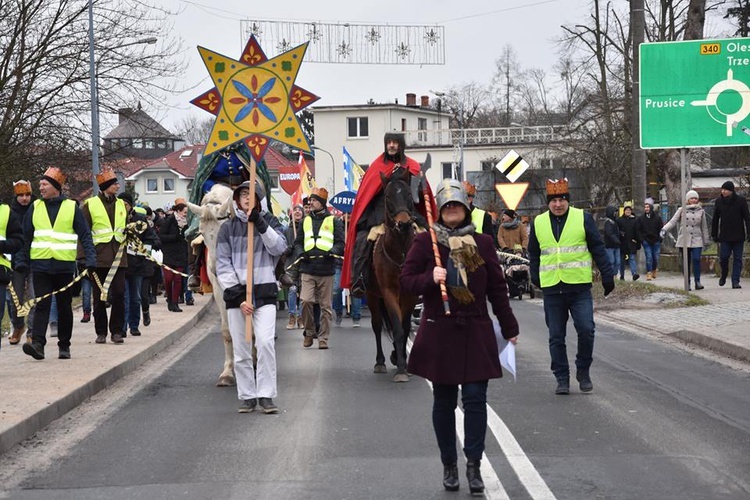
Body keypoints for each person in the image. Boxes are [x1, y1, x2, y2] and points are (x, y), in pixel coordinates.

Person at [401, 179, 519, 494]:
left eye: (457, 206)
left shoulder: (481, 242)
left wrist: (510, 328)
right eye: (447, 206)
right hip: (440, 330)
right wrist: (430, 277)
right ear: (439, 210)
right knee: (443, 401)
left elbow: (497, 288)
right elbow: (406, 282)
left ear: (466, 210)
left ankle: (474, 466)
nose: (452, 211)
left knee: (476, 400)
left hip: (475, 329)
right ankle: (449, 465)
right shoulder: (426, 243)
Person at [528, 178, 615, 395]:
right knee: (556, 336)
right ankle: (562, 378)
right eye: (554, 200)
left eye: (562, 200)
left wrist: (607, 274)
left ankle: (583, 370)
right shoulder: (538, 222)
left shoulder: (582, 218)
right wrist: (534, 274)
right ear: (548, 202)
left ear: (568, 201)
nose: (558, 204)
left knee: (586, 329)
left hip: (579, 288)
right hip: (552, 288)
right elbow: (534, 252)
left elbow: (597, 247)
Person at [215, 180, 287, 414]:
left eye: (251, 194)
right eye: (242, 194)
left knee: (265, 343)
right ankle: (247, 396)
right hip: (238, 297)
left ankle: (266, 394)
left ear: (259, 199)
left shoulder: (270, 222)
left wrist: (261, 223)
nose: (246, 198)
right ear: (236, 200)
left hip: (264, 292)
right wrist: (238, 297)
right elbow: (223, 264)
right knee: (241, 348)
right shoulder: (227, 227)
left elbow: (279, 248)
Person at [342, 132, 435, 297]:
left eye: (395, 142)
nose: (391, 145)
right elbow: (367, 194)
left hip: (407, 213)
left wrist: (421, 186)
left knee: (428, 238)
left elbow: (418, 195)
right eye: (389, 142)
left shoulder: (412, 166)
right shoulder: (376, 167)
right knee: (363, 240)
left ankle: (431, 277)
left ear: (401, 145)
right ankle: (360, 279)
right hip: (380, 214)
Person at [17, 167, 96, 360]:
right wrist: (21, 261)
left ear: (55, 187)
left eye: (44, 185)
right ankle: (38, 345)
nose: (40, 188)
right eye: (40, 185)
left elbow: (84, 235)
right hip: (41, 265)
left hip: (64, 266)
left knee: (64, 306)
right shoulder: (35, 207)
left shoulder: (71, 207)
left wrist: (91, 259)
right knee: (42, 305)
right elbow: (25, 237)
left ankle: (64, 345)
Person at [80, 169, 128, 344]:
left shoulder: (123, 205)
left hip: (119, 258)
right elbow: (83, 233)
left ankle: (116, 331)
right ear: (106, 186)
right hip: (98, 259)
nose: (117, 185)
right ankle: (101, 332)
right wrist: (83, 259)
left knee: (119, 294)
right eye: (114, 183)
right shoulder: (90, 204)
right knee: (99, 296)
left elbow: (128, 226)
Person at [293, 187, 344, 349]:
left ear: (321, 203)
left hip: (326, 269)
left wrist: (332, 252)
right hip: (307, 268)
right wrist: (301, 253)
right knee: (306, 301)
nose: (311, 203)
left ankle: (323, 338)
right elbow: (298, 242)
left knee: (325, 307)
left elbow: (340, 243)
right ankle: (309, 332)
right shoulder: (304, 221)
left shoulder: (334, 221)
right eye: (310, 201)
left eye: (314, 200)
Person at [119, 193, 160, 335]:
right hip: (121, 265)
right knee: (123, 297)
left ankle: (134, 325)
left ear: (131, 205)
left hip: (138, 265)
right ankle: (122, 327)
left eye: (126, 204)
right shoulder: (116, 219)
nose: (123, 207)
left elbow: (153, 239)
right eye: (121, 203)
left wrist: (142, 249)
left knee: (135, 297)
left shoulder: (140, 220)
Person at [660, 190, 710, 290]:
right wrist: (664, 229)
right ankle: (687, 282)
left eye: (695, 198)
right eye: (692, 198)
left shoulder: (701, 211)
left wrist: (706, 241)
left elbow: (704, 227)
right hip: (684, 239)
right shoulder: (681, 210)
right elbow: (673, 221)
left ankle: (697, 281)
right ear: (688, 200)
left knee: (696, 259)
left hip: (697, 238)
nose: (694, 200)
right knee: (686, 262)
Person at [8, 180, 36, 345]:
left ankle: (32, 331)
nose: (24, 198)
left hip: (35, 258)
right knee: (16, 298)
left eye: (27, 195)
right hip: (16, 260)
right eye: (21, 195)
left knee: (33, 298)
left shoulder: (37, 210)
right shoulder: (10, 213)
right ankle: (18, 326)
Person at [711, 181, 750, 289]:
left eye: (726, 190)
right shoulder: (719, 201)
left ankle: (735, 281)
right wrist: (714, 234)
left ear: (731, 191)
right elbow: (715, 218)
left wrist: (749, 231)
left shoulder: (741, 201)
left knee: (738, 259)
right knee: (724, 257)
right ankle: (724, 274)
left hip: (738, 235)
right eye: (722, 189)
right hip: (725, 235)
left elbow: (747, 217)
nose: (723, 191)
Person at [159, 202, 189, 312]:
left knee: (178, 279)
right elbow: (161, 236)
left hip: (181, 254)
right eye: (185, 212)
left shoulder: (187, 223)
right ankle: (170, 299)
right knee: (168, 278)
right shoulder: (169, 221)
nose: (186, 215)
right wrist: (175, 237)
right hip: (168, 254)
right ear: (178, 211)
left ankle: (175, 303)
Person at [283, 204, 304, 330]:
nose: (297, 212)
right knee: (292, 290)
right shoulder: (286, 230)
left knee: (302, 292)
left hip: (303, 263)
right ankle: (292, 316)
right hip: (291, 264)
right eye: (295, 210)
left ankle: (301, 317)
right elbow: (282, 245)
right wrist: (288, 250)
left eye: (299, 210)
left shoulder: (305, 228)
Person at [636, 198, 663, 281]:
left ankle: (654, 269)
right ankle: (649, 273)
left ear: (651, 208)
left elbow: (661, 228)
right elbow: (638, 229)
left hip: (656, 240)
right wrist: (642, 239)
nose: (646, 209)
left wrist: (660, 238)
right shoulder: (641, 219)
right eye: (645, 207)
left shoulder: (657, 218)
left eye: (648, 207)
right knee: (649, 257)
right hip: (646, 240)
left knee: (655, 257)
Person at [616, 203, 640, 281]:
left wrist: (638, 242)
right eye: (626, 210)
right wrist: (620, 233)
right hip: (622, 243)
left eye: (629, 210)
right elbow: (616, 230)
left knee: (632, 258)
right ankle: (622, 275)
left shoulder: (635, 220)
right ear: (624, 211)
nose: (628, 211)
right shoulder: (619, 220)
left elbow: (637, 231)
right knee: (621, 261)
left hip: (631, 243)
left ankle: (634, 274)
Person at [602, 205, 621, 274]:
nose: (616, 214)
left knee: (618, 261)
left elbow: (616, 231)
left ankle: (615, 274)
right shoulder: (608, 222)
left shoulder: (615, 221)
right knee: (611, 261)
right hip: (609, 245)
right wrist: (616, 240)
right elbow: (609, 233)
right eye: (614, 212)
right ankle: (611, 274)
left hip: (616, 245)